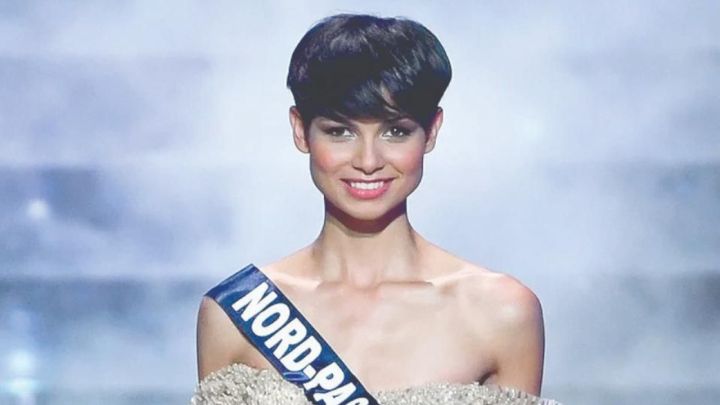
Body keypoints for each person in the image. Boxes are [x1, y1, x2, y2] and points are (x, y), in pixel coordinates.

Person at [191, 13, 562, 405]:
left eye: (395, 131)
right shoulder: (238, 313)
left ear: (431, 132)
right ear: (301, 130)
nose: (368, 161)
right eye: (340, 132)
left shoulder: (501, 312)